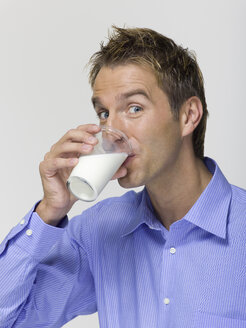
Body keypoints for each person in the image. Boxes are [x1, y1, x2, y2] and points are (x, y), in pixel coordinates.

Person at [0, 26, 246, 328]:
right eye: (104, 113)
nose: (111, 132)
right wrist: (49, 212)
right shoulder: (98, 232)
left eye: (134, 108)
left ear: (188, 116)